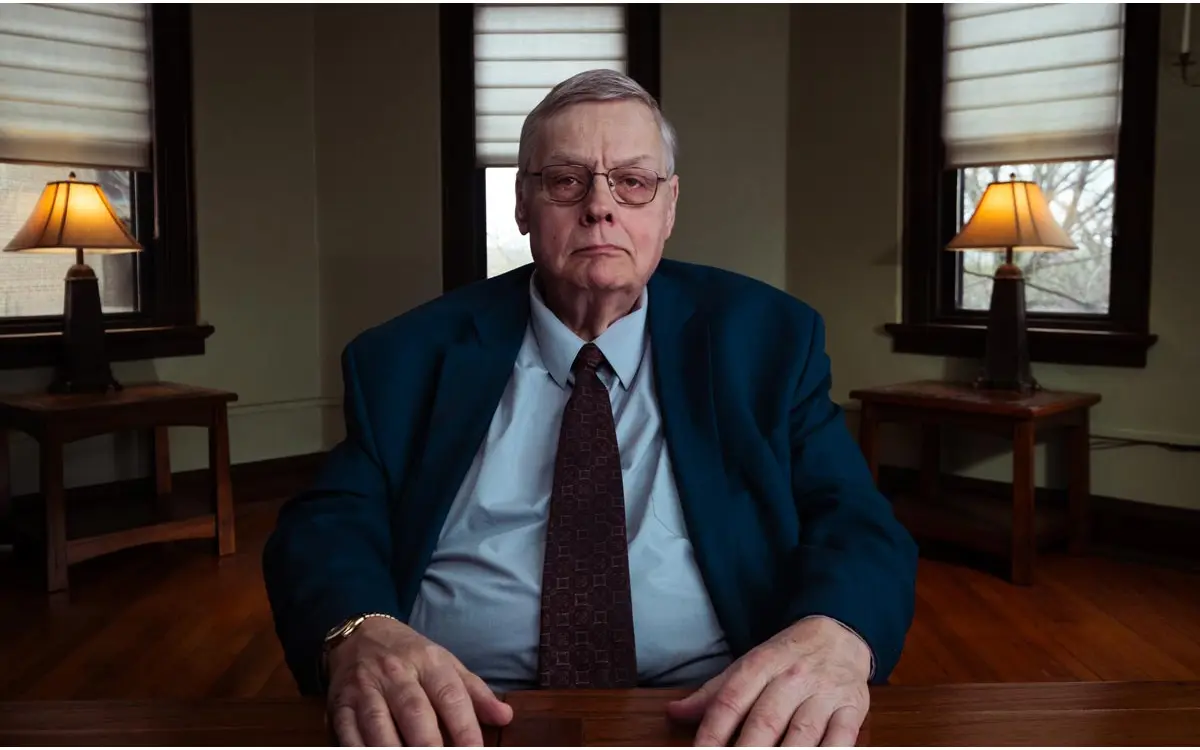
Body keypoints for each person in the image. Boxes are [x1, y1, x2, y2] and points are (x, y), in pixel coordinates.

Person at [262, 68, 918, 747]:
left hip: (719, 715)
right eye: (566, 180)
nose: (600, 207)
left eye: (632, 182)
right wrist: (357, 628)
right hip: (452, 717)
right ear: (523, 204)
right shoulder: (405, 355)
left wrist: (837, 632)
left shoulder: (770, 340)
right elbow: (326, 525)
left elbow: (858, 522)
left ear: (669, 206)